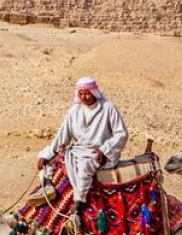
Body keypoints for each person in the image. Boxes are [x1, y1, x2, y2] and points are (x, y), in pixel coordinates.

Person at [36, 76, 129, 223]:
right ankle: (47, 187)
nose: (84, 97)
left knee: (85, 167)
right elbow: (62, 136)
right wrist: (47, 154)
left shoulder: (108, 108)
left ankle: (78, 207)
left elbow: (121, 133)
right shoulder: (74, 111)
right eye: (81, 94)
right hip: (78, 150)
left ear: (94, 92)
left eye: (87, 93)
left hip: (99, 153)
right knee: (52, 161)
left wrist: (105, 149)